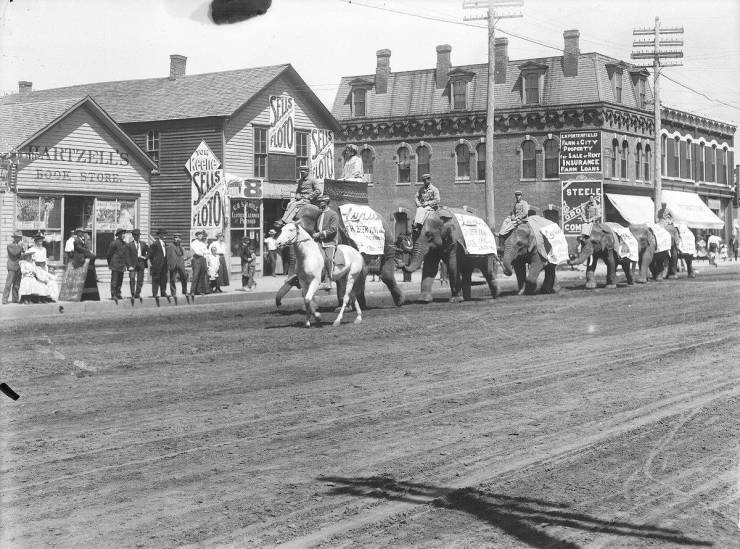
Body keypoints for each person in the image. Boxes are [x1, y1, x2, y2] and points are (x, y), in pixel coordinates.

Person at [312, 195, 339, 290]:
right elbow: (315, 228)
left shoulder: (333, 214)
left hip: (329, 242)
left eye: (321, 202)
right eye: (319, 202)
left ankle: (328, 281)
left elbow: (333, 229)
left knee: (328, 259)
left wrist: (319, 234)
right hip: (318, 241)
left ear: (326, 203)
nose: (319, 204)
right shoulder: (318, 215)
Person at [70, 228, 100, 301]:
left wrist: (88, 250)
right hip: (79, 256)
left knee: (93, 256)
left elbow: (83, 247)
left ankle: (91, 268)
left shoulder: (81, 239)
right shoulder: (77, 240)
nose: (82, 233)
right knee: (92, 256)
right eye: (81, 232)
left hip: (82, 254)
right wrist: (87, 251)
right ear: (78, 233)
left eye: (82, 232)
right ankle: (91, 267)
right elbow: (79, 248)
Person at [413, 173, 440, 238]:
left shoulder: (434, 189)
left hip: (432, 207)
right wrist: (418, 203)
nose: (424, 182)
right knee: (419, 209)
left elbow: (437, 200)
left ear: (429, 180)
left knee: (423, 210)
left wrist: (428, 203)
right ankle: (416, 226)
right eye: (423, 180)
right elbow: (416, 197)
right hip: (422, 207)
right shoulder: (421, 189)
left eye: (425, 180)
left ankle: (418, 226)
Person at [106, 228, 130, 300]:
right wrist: (110, 263)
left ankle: (118, 293)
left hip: (122, 265)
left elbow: (126, 255)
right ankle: (113, 295)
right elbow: (108, 254)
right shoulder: (114, 243)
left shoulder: (125, 244)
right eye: (122, 234)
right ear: (118, 235)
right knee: (114, 281)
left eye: (124, 234)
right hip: (115, 265)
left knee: (120, 281)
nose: (123, 235)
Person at [126, 228, 149, 299]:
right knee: (132, 278)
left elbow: (150, 251)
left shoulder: (143, 244)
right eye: (135, 235)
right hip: (132, 265)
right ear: (133, 236)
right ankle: (133, 294)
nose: (137, 236)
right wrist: (129, 266)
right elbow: (127, 256)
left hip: (141, 263)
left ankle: (137, 294)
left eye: (138, 235)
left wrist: (145, 257)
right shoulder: (129, 245)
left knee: (140, 280)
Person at [2, 231, 24, 304]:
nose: (19, 239)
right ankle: (4, 299)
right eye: (17, 237)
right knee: (8, 283)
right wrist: (21, 247)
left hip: (19, 267)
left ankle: (15, 299)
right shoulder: (10, 245)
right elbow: (15, 253)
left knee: (17, 284)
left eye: (19, 237)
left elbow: (22, 254)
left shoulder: (20, 246)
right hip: (12, 267)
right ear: (14, 238)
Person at [148, 229, 169, 302]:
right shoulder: (155, 244)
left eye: (164, 234)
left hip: (164, 264)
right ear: (159, 235)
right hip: (157, 265)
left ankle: (163, 292)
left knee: (164, 279)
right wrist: (154, 263)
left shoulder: (164, 243)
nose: (163, 236)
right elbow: (150, 255)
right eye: (162, 234)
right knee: (156, 279)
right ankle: (155, 293)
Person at [166, 233, 189, 300]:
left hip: (180, 262)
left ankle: (185, 291)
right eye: (175, 237)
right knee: (172, 279)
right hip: (173, 263)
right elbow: (168, 256)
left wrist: (184, 258)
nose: (176, 239)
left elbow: (183, 254)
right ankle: (173, 293)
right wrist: (169, 264)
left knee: (184, 276)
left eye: (178, 237)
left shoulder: (180, 246)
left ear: (180, 239)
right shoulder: (170, 246)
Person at [189, 230, 210, 296]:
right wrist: (204, 252)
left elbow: (207, 251)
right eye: (199, 235)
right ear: (196, 236)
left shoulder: (202, 243)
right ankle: (192, 291)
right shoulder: (194, 243)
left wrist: (204, 252)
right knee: (196, 275)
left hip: (202, 259)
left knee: (202, 275)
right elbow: (197, 252)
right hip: (196, 259)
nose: (201, 236)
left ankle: (199, 290)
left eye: (201, 235)